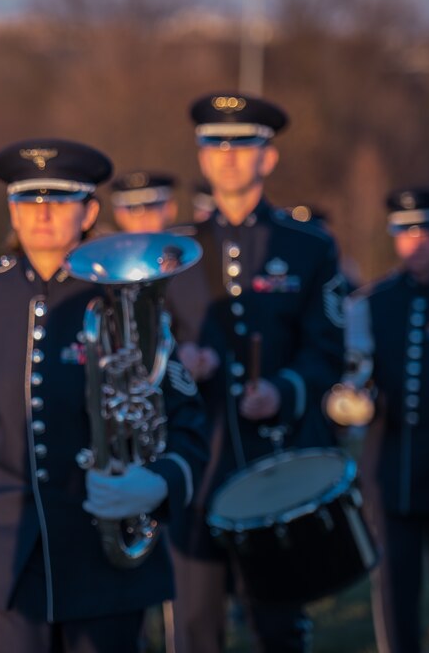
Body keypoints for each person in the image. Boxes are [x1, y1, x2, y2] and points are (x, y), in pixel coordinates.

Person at [0, 138, 209, 653]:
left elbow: (187, 419)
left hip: (101, 548)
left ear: (89, 212)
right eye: (30, 200)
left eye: (59, 200)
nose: (43, 214)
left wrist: (159, 482)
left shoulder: (125, 294)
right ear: (12, 209)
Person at [164, 92, 346, 653]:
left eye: (242, 144)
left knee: (278, 629)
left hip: (277, 462)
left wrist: (285, 391)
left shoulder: (309, 247)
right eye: (214, 143)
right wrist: (181, 367)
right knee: (196, 628)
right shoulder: (173, 253)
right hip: (198, 465)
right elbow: (147, 355)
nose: (227, 156)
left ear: (268, 157)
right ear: (200, 157)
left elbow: (327, 350)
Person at [328, 189, 429, 653]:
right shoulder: (369, 304)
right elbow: (352, 379)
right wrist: (349, 400)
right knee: (395, 590)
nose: (415, 242)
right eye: (404, 231)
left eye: (427, 230)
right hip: (391, 473)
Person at [109, 171, 179, 234]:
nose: (143, 221)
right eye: (134, 212)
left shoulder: (185, 246)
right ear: (119, 215)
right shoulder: (106, 247)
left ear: (170, 209)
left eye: (151, 211)